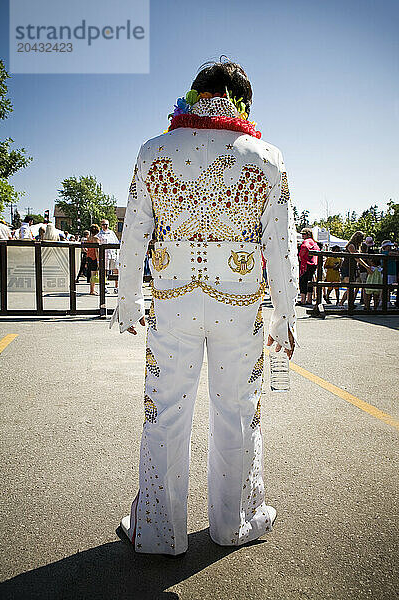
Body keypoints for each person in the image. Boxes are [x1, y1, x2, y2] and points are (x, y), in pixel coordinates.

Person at [110, 59, 299, 556]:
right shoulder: (267, 157)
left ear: (193, 96)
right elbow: (280, 247)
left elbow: (134, 233)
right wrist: (286, 315)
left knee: (164, 413)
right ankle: (233, 523)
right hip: (239, 304)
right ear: (244, 102)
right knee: (237, 412)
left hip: (172, 303)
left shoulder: (153, 151)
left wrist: (127, 299)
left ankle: (157, 532)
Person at [338, 231, 365, 306]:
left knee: (351, 286)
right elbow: (356, 258)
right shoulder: (351, 246)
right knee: (349, 286)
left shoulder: (356, 246)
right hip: (346, 268)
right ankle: (349, 304)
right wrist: (366, 266)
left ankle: (343, 303)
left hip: (352, 268)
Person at [298, 228, 319, 306]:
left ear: (308, 234)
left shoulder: (306, 242)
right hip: (313, 264)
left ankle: (303, 300)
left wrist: (300, 256)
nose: (302, 236)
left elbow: (305, 247)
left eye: (304, 234)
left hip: (305, 264)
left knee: (303, 281)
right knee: (310, 282)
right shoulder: (314, 243)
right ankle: (309, 299)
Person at [98, 219, 120, 293]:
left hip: (113, 254)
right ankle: (104, 286)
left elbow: (116, 242)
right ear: (101, 225)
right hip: (105, 255)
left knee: (116, 270)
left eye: (107, 224)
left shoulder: (111, 233)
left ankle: (116, 287)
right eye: (104, 225)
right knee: (104, 271)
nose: (106, 226)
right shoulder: (99, 234)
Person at [86, 224, 100, 295]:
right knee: (93, 274)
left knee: (91, 274)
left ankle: (92, 289)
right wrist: (98, 260)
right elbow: (97, 250)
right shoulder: (96, 239)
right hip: (94, 257)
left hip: (89, 257)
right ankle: (92, 290)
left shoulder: (88, 238)